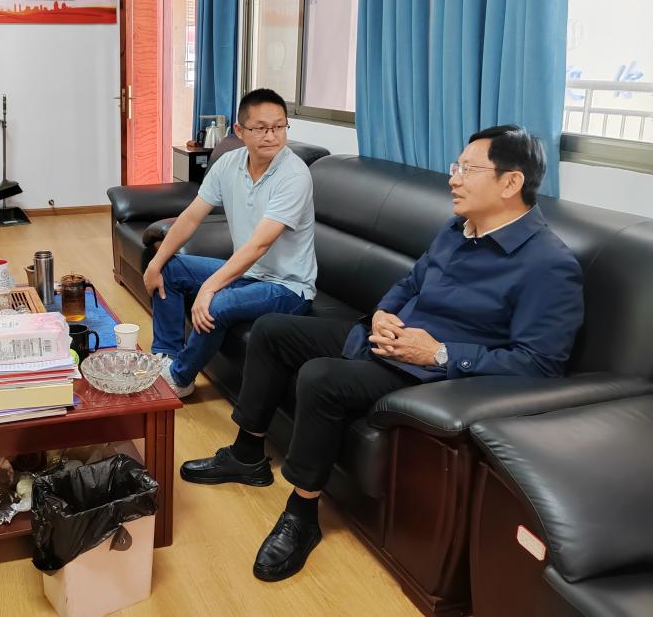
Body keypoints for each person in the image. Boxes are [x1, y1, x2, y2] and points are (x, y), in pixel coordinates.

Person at [180, 124, 584, 581]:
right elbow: (410, 283)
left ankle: (302, 514)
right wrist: (382, 313)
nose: (453, 179)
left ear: (510, 183)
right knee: (273, 332)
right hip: (386, 340)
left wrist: (441, 354)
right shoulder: (459, 228)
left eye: (468, 170)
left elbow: (540, 364)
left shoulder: (549, 264)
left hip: (429, 375)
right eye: (456, 167)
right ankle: (247, 454)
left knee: (321, 377)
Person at [145, 88, 317, 398]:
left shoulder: (294, 175)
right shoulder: (229, 163)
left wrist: (209, 288)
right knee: (169, 269)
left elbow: (259, 245)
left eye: (279, 127)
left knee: (217, 303)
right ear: (240, 130)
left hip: (288, 287)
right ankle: (166, 358)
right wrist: (155, 264)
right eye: (260, 128)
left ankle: (180, 379)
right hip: (248, 274)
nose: (271, 136)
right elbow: (191, 217)